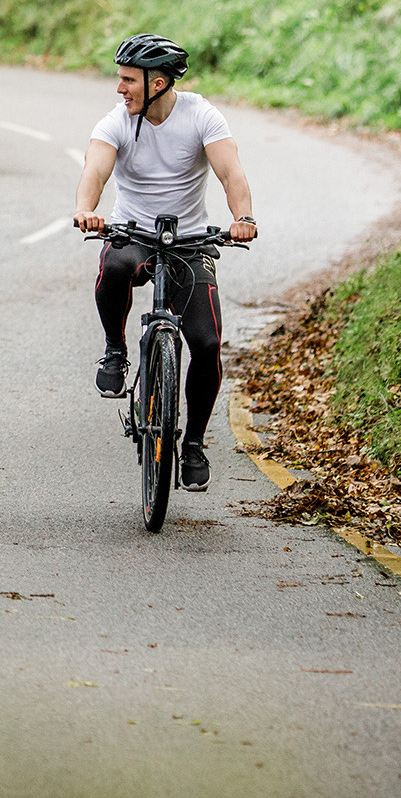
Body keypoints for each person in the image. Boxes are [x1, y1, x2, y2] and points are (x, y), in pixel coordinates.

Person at [71, 34, 257, 491]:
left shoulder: (201, 115)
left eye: (128, 80)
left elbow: (230, 172)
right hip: (132, 234)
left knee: (208, 344)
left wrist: (243, 218)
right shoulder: (117, 121)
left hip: (189, 242)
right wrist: (86, 208)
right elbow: (95, 169)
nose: (120, 89)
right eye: (120, 79)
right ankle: (116, 350)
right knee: (114, 265)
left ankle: (192, 444)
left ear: (158, 82)